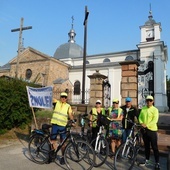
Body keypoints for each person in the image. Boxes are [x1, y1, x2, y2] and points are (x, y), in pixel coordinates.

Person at [50, 92, 74, 165]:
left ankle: (63, 157)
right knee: (53, 141)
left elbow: (70, 114)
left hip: (62, 126)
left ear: (66, 98)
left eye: (65, 97)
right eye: (62, 97)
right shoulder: (56, 102)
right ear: (60, 97)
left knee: (63, 143)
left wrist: (72, 120)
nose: (63, 98)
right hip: (55, 124)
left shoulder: (68, 106)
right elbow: (50, 98)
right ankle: (52, 155)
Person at [138, 95, 160, 170]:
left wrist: (146, 125)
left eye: (150, 100)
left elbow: (155, 120)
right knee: (146, 146)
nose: (149, 102)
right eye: (147, 100)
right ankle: (147, 160)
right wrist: (141, 123)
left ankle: (157, 163)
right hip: (144, 130)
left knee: (154, 147)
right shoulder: (143, 109)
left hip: (152, 130)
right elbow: (140, 117)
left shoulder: (155, 110)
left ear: (153, 101)